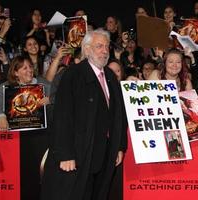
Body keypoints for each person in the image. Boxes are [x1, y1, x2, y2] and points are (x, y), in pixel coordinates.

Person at [41, 28, 127, 200]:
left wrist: (119, 146)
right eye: (99, 46)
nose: (104, 51)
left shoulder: (110, 75)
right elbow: (62, 116)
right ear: (87, 49)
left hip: (104, 152)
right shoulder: (73, 74)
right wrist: (66, 154)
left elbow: (119, 114)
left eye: (107, 47)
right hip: (79, 153)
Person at [0, 55, 50, 200]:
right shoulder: (5, 86)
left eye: (30, 67)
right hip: (18, 140)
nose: (29, 70)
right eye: (24, 68)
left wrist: (50, 99)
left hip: (41, 137)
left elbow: (60, 96)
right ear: (15, 72)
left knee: (39, 175)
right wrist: (0, 116)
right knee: (22, 175)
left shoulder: (42, 83)